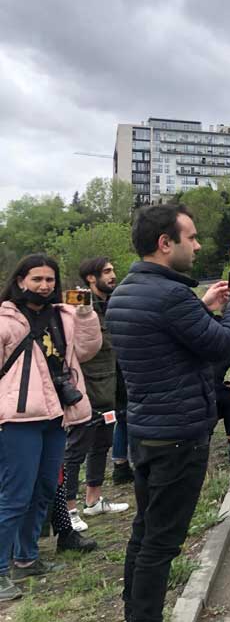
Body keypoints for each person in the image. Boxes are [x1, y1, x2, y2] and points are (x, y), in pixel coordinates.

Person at [106, 203, 230, 622]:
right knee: (162, 544)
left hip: (146, 431)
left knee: (144, 532)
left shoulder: (126, 292)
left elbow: (168, 344)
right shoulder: (172, 295)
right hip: (178, 437)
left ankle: (134, 611)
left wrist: (203, 306)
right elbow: (222, 344)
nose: (198, 244)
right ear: (164, 243)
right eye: (190, 237)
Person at [0, 254, 102, 602]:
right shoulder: (5, 319)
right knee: (14, 496)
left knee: (43, 490)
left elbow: (87, 351)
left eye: (49, 279)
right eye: (37, 279)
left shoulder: (64, 315)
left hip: (56, 414)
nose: (44, 285)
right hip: (17, 420)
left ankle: (26, 559)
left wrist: (86, 314)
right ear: (20, 281)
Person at [64, 257, 129, 533]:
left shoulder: (114, 302)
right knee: (76, 448)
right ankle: (68, 510)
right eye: (107, 272)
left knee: (102, 442)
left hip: (111, 385)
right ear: (91, 278)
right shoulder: (78, 303)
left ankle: (93, 499)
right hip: (86, 386)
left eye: (113, 270)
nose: (113, 275)